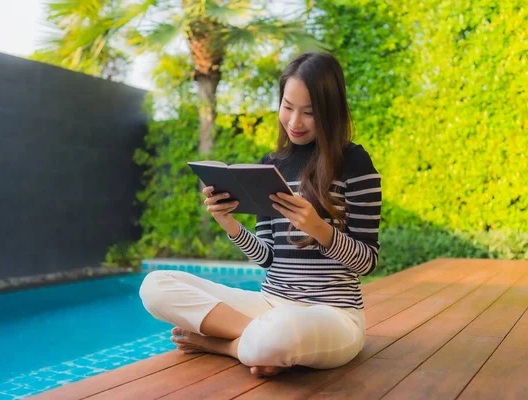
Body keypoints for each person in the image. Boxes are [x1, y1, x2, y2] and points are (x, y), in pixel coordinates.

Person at [139, 52, 382, 377]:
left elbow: (367, 262)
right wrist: (230, 224)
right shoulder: (271, 165)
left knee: (278, 334)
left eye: (309, 113)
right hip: (270, 305)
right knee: (154, 286)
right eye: (287, 107)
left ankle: (220, 344)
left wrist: (319, 228)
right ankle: (256, 342)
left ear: (330, 112)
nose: (294, 122)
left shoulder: (355, 164)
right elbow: (268, 258)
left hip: (332, 314)